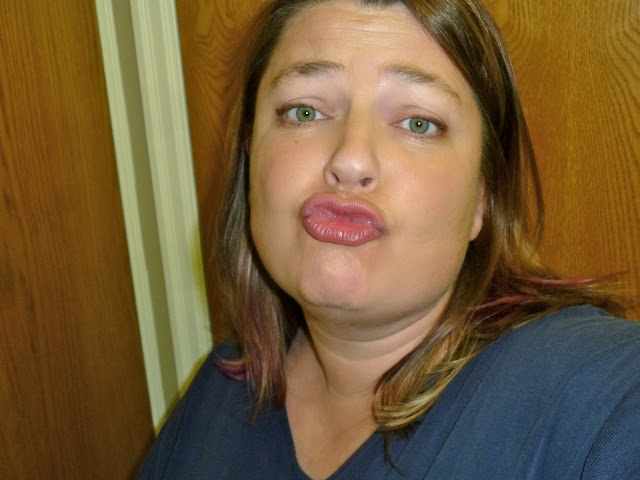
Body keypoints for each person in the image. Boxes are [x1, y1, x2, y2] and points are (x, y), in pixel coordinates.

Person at [137, 0, 640, 478]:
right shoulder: (216, 395)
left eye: (418, 123)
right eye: (305, 111)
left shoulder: (603, 402)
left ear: (481, 199)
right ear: (251, 156)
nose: (350, 159)